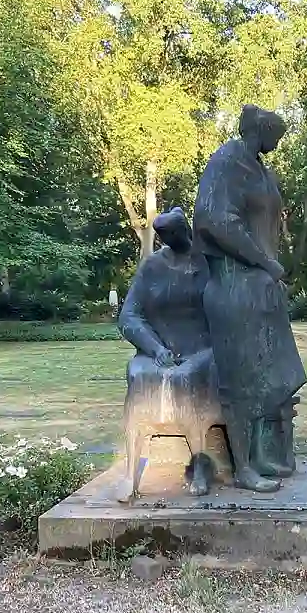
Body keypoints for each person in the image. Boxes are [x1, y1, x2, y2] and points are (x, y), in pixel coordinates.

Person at [192, 105, 307, 493]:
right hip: (233, 287)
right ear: (262, 129)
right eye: (277, 134)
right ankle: (242, 468)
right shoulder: (227, 160)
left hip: (259, 288)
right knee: (241, 380)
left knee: (270, 376)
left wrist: (269, 272)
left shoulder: (258, 167)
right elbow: (214, 219)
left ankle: (263, 455)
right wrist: (264, 261)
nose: (279, 142)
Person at [116, 207, 221, 498]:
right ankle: (130, 474)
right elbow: (129, 316)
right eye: (164, 236)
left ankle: (199, 464)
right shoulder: (152, 267)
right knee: (137, 376)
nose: (170, 239)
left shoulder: (209, 262)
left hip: (202, 350)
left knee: (185, 378)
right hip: (158, 352)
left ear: (184, 229)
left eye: (174, 233)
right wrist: (155, 347)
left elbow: (227, 308)